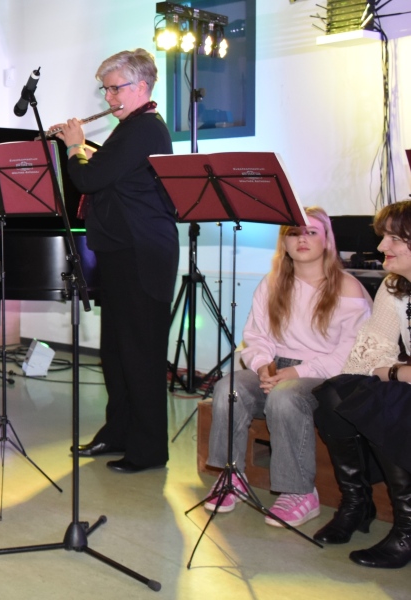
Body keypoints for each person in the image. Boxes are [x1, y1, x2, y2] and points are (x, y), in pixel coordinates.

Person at [203, 207, 371, 527]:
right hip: (277, 369)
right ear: (284, 243)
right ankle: (232, 476)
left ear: (327, 241)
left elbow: (352, 354)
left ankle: (300, 492)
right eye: (293, 233)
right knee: (229, 387)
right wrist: (263, 367)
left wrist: (294, 373)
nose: (302, 239)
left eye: (312, 232)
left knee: (285, 396)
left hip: (327, 378)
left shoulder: (348, 288)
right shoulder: (272, 283)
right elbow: (257, 337)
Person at [51, 49, 178, 473]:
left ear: (141, 87)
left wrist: (74, 146)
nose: (108, 98)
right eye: (105, 90)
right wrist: (82, 149)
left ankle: (149, 449)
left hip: (142, 255)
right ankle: (118, 432)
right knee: (117, 352)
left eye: (114, 88)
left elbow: (89, 178)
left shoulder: (144, 129)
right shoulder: (130, 130)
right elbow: (108, 172)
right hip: (122, 253)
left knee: (140, 354)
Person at [313, 200, 411, 569]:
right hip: (403, 378)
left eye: (394, 239)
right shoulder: (394, 286)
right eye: (384, 237)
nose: (382, 246)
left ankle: (407, 528)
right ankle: (357, 503)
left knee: (386, 399)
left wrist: (394, 373)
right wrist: (398, 372)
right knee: (334, 392)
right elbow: (368, 358)